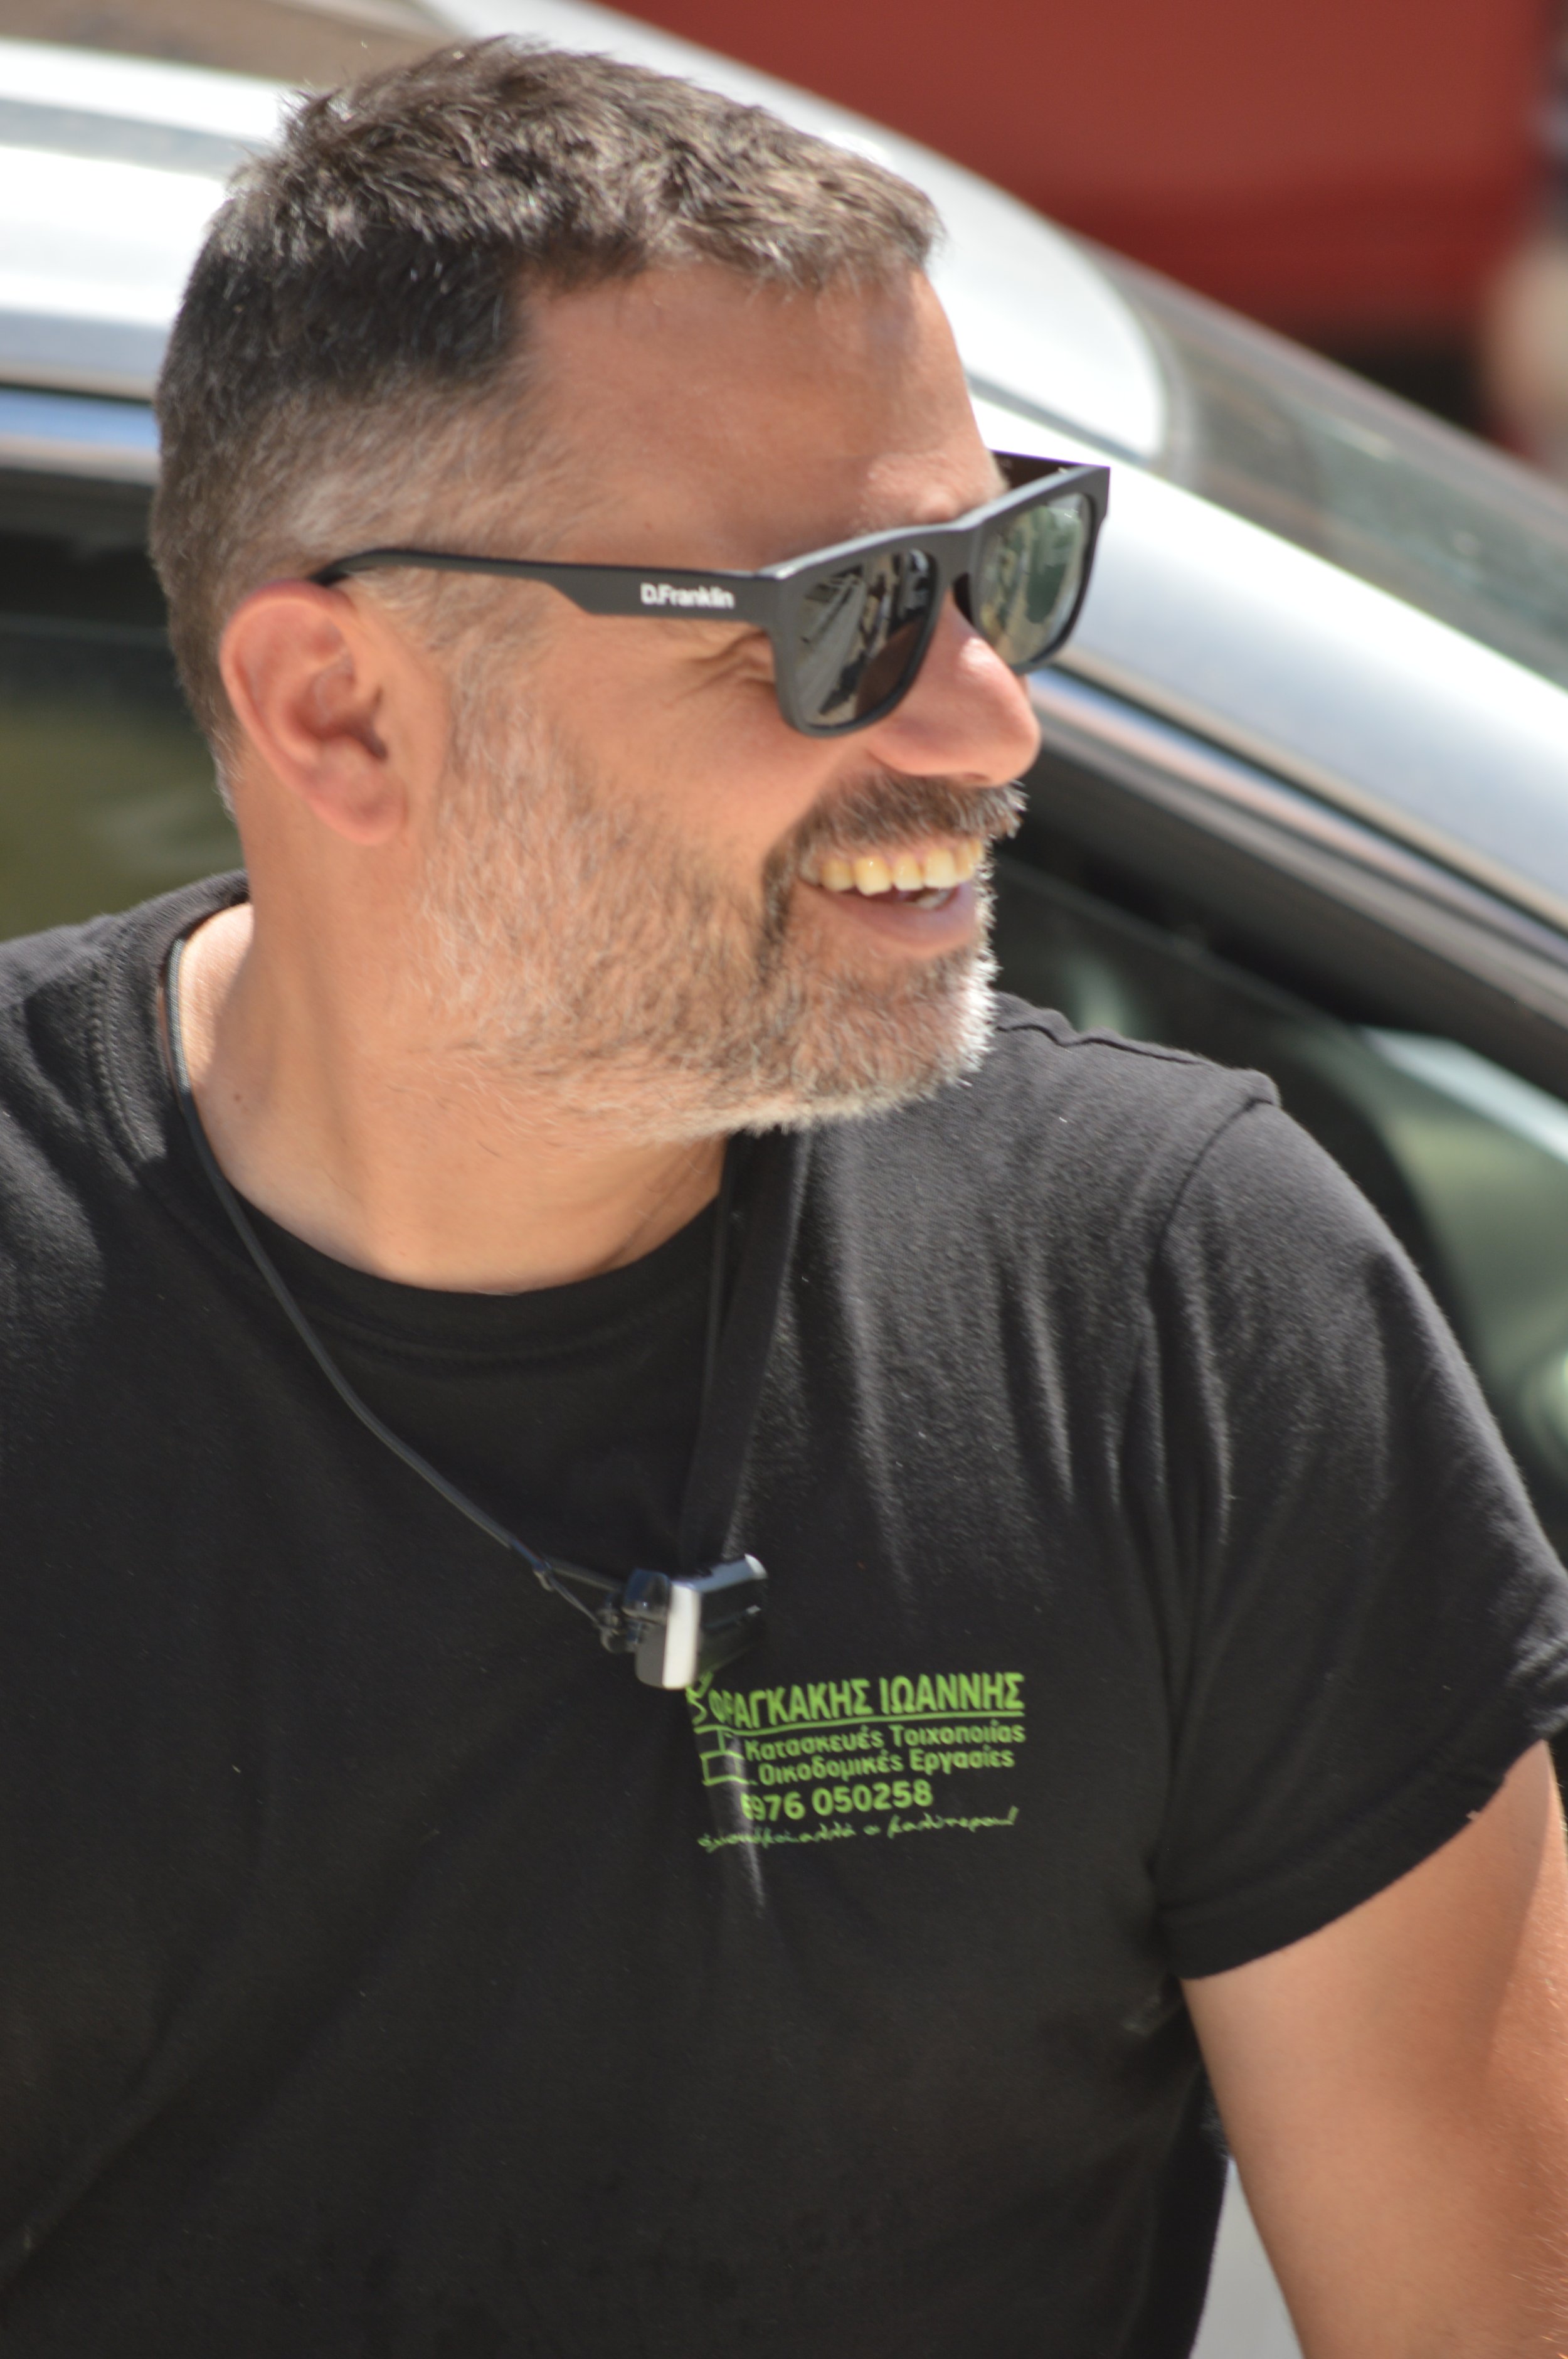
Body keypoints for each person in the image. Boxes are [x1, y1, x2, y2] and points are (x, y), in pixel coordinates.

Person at [0, 39, 1565, 2359]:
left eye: (995, 570)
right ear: (339, 712)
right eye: (841, 616)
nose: (984, 721)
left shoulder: (1176, 1296)